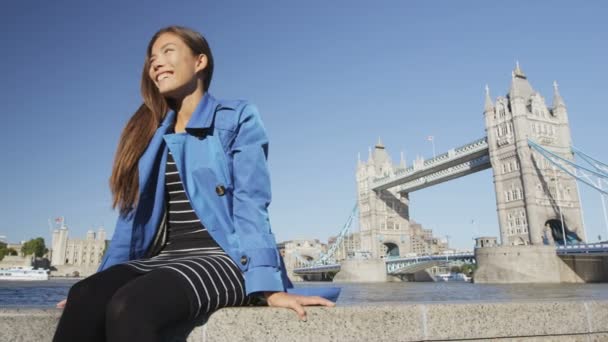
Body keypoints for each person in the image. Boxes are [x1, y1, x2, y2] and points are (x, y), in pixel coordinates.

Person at [53, 25, 339, 342]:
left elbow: (251, 202)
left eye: (168, 51)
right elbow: (131, 223)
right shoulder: (148, 136)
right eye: (151, 59)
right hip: (165, 258)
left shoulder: (237, 117)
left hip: (227, 258)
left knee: (131, 306)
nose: (156, 63)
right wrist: (97, 290)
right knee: (84, 296)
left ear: (199, 62)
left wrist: (268, 287)